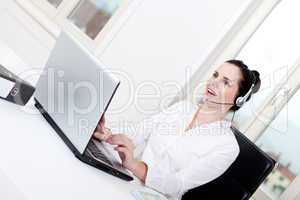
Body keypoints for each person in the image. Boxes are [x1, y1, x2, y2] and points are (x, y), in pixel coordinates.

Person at [93, 59, 261, 200]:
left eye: (226, 82)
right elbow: (135, 135)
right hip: (128, 181)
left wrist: (133, 164)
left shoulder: (227, 147)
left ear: (238, 100)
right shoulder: (181, 108)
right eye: (215, 75)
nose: (214, 82)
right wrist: (108, 136)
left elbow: (177, 185)